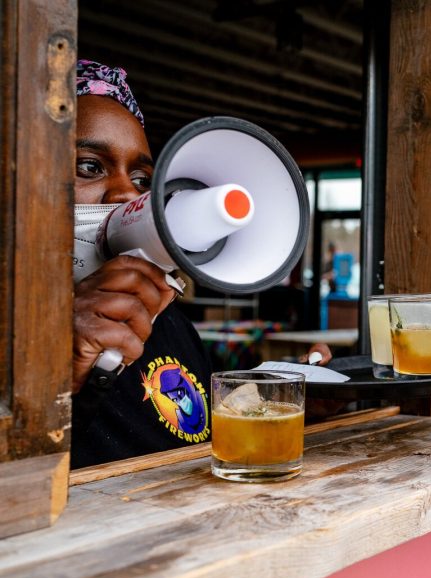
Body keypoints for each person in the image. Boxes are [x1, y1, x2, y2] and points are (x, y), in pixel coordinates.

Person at [70, 60, 331, 468]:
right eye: (89, 166)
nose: (126, 195)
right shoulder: (21, 332)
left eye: (141, 179)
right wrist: (54, 368)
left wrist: (268, 407)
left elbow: (197, 434)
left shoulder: (166, 318)